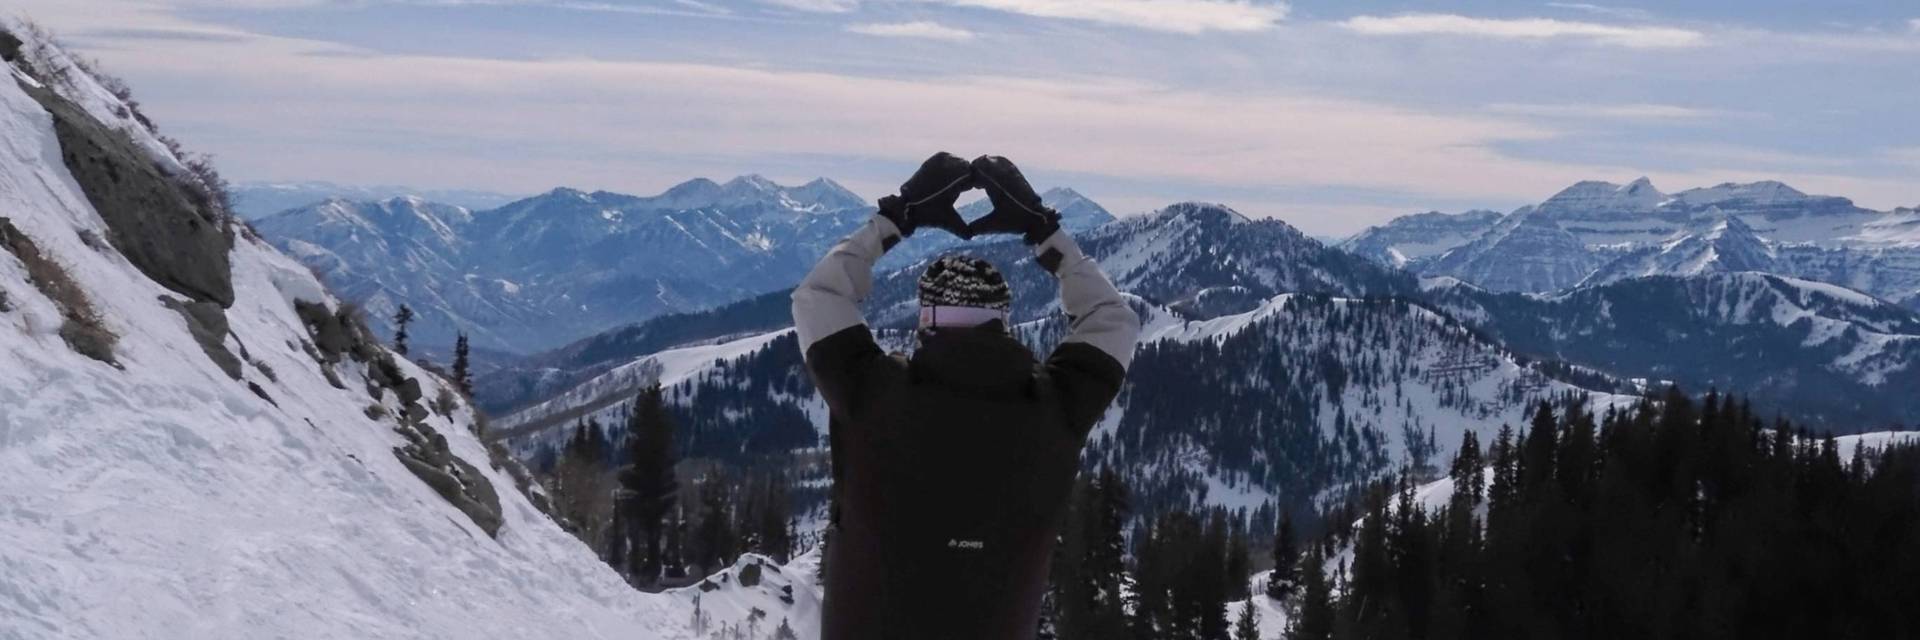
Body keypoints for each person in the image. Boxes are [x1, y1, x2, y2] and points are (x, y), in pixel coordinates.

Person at [791, 152, 1142, 639]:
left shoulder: (871, 395)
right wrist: (1044, 231)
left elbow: (818, 297)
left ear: (925, 324)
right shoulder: (1057, 409)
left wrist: (896, 218)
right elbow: (1115, 320)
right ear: (1003, 324)